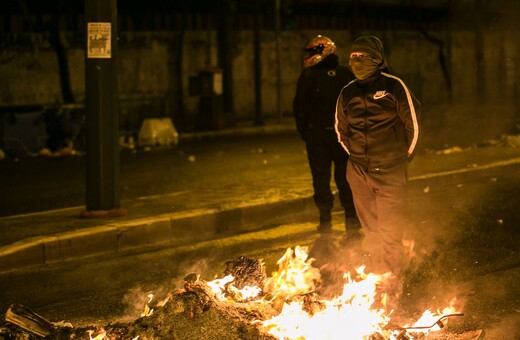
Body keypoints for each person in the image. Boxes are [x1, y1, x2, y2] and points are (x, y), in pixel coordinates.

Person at [334, 35, 421, 304]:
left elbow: (414, 126)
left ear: (378, 60)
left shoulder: (394, 86)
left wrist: (400, 157)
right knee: (371, 231)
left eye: (364, 57)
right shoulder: (347, 92)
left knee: (390, 231)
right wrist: (358, 160)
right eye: (354, 57)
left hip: (391, 170)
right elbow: (341, 130)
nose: (357, 62)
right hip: (358, 172)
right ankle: (379, 280)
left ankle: (394, 285)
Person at [293, 35, 357, 235]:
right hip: (342, 137)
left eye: (313, 52)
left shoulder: (309, 76)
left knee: (321, 178)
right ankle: (352, 221)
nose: (311, 56)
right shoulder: (346, 74)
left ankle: (326, 222)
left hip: (318, 136)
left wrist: (308, 133)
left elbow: (299, 108)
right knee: (345, 179)